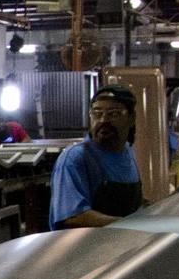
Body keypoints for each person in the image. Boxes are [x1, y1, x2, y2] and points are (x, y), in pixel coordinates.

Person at [48, 85, 144, 229]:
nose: (103, 120)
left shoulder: (128, 152)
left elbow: (128, 203)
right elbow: (72, 217)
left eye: (113, 114)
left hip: (123, 240)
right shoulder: (75, 158)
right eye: (97, 114)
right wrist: (132, 225)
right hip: (88, 243)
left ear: (131, 118)